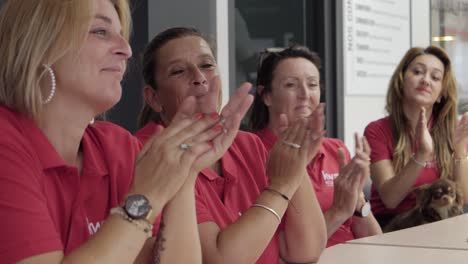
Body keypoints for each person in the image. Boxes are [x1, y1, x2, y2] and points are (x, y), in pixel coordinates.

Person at [0, 1, 253, 263]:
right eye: (101, 31)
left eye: (122, 35)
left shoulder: (117, 147)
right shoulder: (7, 145)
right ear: (41, 45)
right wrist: (144, 199)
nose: (126, 50)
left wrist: (184, 175)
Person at [136, 27, 327, 264]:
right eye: (178, 71)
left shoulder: (248, 144)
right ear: (154, 98)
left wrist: (294, 161)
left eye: (206, 65)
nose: (199, 77)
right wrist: (282, 186)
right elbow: (219, 259)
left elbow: (305, 251)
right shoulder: (147, 153)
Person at [249, 46, 382, 246]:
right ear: (266, 95)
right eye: (291, 85)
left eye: (312, 85)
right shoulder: (250, 153)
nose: (305, 94)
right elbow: (280, 252)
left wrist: (358, 202)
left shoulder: (335, 149)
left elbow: (377, 243)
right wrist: (337, 212)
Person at [363, 45, 468, 227]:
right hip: (394, 227)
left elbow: (463, 199)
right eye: (418, 72)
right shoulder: (377, 130)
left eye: (435, 77)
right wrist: (422, 154)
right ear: (401, 81)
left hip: (440, 224)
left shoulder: (453, 130)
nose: (426, 80)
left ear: (441, 94)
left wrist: (459, 151)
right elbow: (390, 199)